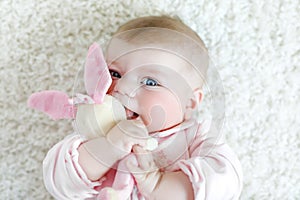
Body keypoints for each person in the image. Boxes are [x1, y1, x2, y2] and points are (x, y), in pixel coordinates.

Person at [43, 15, 243, 199]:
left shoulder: (196, 137)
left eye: (150, 82)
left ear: (189, 102)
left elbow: (225, 183)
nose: (123, 88)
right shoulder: (96, 129)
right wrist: (108, 147)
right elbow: (59, 181)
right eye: (115, 74)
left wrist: (159, 185)